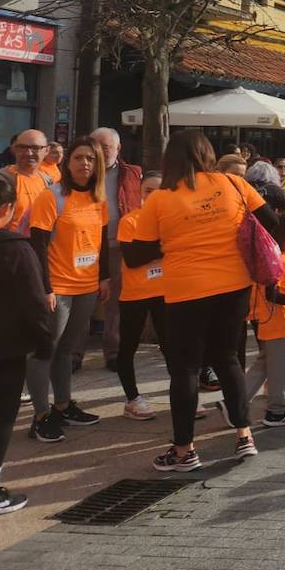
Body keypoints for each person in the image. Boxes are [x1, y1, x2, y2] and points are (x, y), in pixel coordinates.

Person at [125, 130, 277, 471]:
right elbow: (273, 222)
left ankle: (184, 451)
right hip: (235, 285)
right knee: (228, 361)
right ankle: (244, 437)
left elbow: (135, 256)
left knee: (185, 370)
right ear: (208, 155)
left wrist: (174, 240)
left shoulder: (160, 198)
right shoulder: (234, 185)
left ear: (170, 160)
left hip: (186, 290)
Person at [25, 135, 110, 442]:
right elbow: (37, 244)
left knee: (67, 349)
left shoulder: (99, 198)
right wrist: (45, 288)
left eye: (90, 158)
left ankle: (62, 405)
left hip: (87, 287)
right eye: (78, 157)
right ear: (67, 162)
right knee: (44, 351)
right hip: (57, 287)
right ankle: (40, 415)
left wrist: (105, 277)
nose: (84, 163)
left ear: (97, 164)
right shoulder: (52, 197)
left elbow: (102, 240)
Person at [0, 174, 51, 519]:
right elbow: (34, 303)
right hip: (4, 348)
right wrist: (45, 342)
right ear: (8, 208)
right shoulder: (15, 247)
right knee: (1, 417)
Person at [88, 127, 144, 371]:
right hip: (86, 245)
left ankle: (113, 353)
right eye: (95, 145)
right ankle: (73, 354)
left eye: (106, 146)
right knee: (83, 301)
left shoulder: (133, 173)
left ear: (118, 148)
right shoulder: (82, 171)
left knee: (115, 304)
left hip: (119, 244)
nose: (100, 150)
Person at [245, 213, 285, 427]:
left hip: (274, 321)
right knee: (282, 369)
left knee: (263, 365)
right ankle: (277, 411)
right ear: (283, 235)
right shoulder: (279, 258)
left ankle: (235, 402)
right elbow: (272, 293)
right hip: (278, 322)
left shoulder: (279, 256)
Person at [116, 171, 167, 421]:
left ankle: (181, 391)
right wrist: (162, 247)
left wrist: (149, 249)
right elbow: (133, 258)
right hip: (135, 294)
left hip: (166, 292)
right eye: (148, 190)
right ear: (140, 192)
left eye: (159, 190)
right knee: (128, 346)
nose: (153, 195)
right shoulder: (130, 221)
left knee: (172, 346)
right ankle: (132, 398)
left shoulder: (172, 220)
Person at [0, 129, 52, 234]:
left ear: (46, 151)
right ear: (14, 149)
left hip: (38, 246)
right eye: (23, 147)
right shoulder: (1, 180)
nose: (29, 153)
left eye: (36, 148)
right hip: (9, 246)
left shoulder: (48, 181)